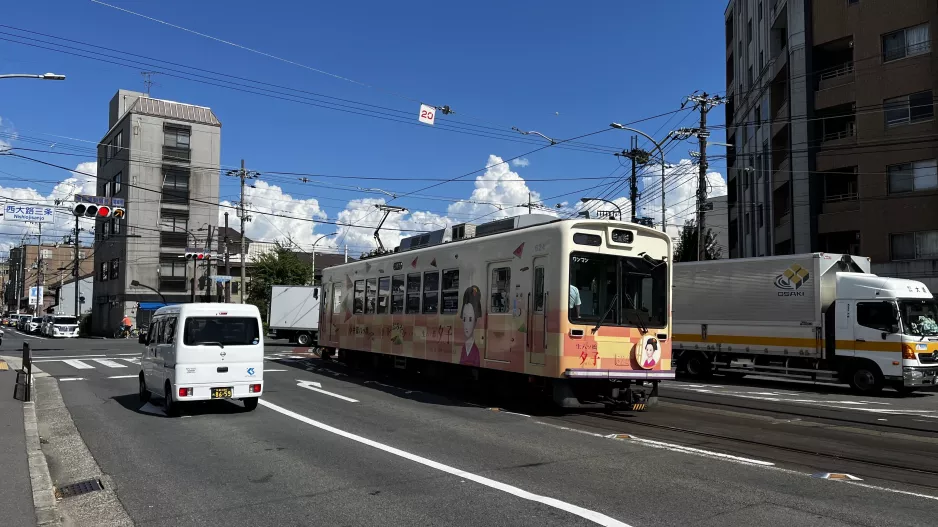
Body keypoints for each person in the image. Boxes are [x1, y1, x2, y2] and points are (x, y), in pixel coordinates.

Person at [459, 286, 482, 367]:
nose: (466, 325)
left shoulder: (476, 350)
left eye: (470, 319)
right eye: (464, 319)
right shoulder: (463, 348)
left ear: (475, 321)